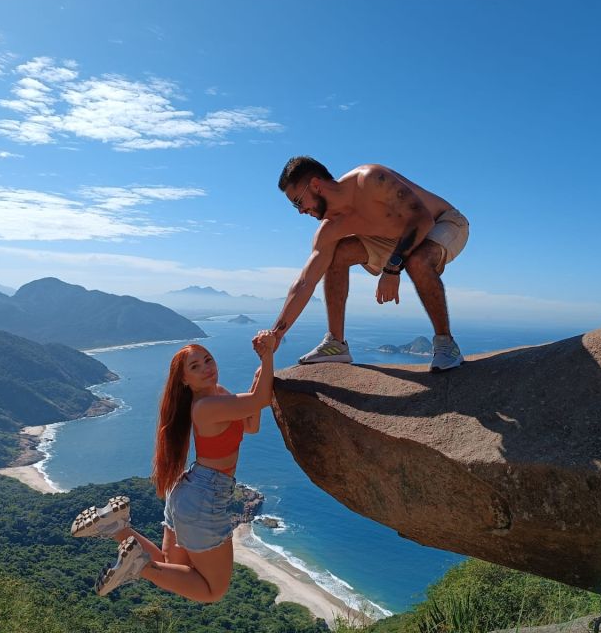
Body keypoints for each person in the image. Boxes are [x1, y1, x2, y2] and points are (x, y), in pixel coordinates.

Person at [69, 330, 275, 602]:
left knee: (170, 567)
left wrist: (258, 379)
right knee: (212, 591)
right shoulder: (207, 406)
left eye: (208, 360)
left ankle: (117, 527)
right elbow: (261, 400)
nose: (206, 368)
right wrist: (268, 357)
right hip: (205, 498)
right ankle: (139, 566)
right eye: (195, 366)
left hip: (189, 492)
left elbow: (251, 425)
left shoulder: (219, 396)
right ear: (185, 380)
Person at [271, 156, 469, 371]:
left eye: (298, 202)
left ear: (316, 185)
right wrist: (276, 334)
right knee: (337, 254)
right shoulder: (330, 229)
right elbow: (304, 282)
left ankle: (446, 345)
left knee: (417, 261)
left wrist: (392, 270)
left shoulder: (370, 180)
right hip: (395, 238)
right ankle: (336, 344)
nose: (300, 211)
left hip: (441, 222)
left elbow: (421, 220)